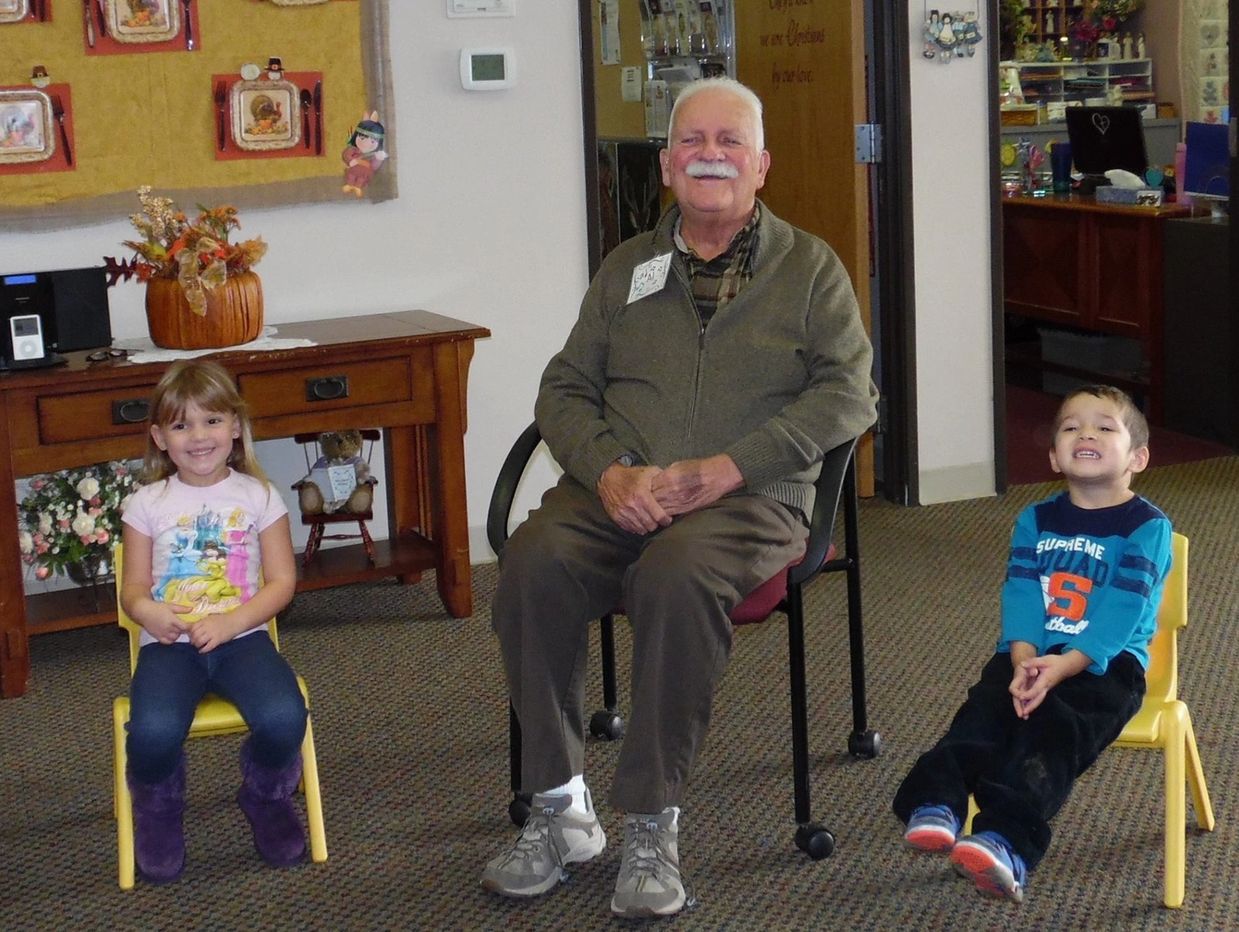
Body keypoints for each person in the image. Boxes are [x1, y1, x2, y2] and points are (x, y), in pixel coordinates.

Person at [481, 76, 878, 919]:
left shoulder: (810, 269)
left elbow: (849, 394)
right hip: (620, 491)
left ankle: (650, 822)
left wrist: (734, 465)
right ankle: (558, 808)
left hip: (751, 499)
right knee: (533, 559)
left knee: (675, 575)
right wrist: (610, 469)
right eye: (692, 141)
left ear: (760, 164)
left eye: (729, 141)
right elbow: (562, 389)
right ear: (665, 164)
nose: (709, 154)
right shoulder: (628, 267)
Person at [892, 385, 1172, 904]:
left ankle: (1006, 841)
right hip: (1027, 655)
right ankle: (938, 800)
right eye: (1071, 427)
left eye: (1104, 427)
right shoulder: (1035, 519)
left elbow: (1124, 609)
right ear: (1053, 456)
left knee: (1051, 735)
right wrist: (1022, 656)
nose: (1085, 432)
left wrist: (1065, 665)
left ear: (1138, 457)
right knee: (981, 714)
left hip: (1104, 666)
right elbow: (1021, 591)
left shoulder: (1147, 527)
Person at [120, 360, 307, 884]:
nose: (198, 437)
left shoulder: (259, 497)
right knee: (154, 732)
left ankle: (265, 794)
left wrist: (229, 623)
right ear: (159, 437)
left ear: (236, 428)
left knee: (283, 717)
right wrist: (150, 612)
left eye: (212, 421)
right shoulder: (145, 504)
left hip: (242, 638)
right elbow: (132, 590)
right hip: (167, 645)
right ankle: (158, 807)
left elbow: (281, 583)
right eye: (181, 425)